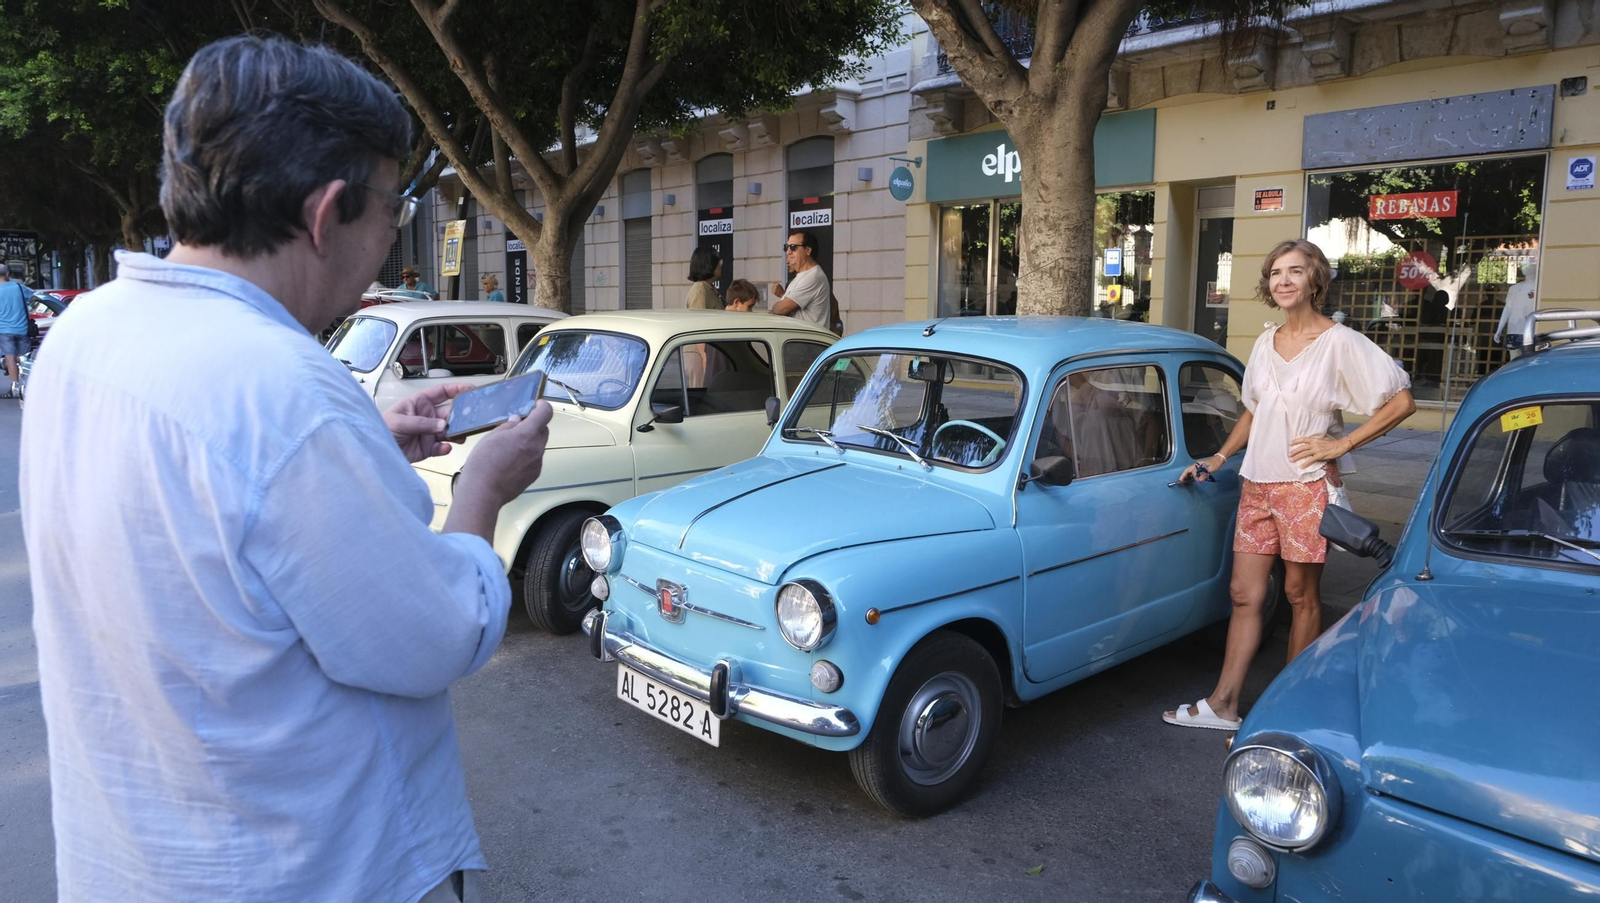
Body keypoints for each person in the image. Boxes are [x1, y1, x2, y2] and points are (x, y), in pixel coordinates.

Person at [19, 36, 553, 903]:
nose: (389, 235)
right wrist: (486, 485)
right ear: (325, 211)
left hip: (142, 859)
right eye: (391, 207)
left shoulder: (87, 331)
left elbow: (208, 514)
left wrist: (363, 443)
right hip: (310, 868)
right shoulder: (287, 395)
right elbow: (435, 636)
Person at [1163, 239, 1415, 732]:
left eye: (1295, 271)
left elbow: (1400, 401)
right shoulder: (1264, 342)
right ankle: (1225, 704)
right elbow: (1255, 410)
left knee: (1300, 595)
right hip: (1257, 484)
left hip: (1305, 485)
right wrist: (1218, 456)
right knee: (1243, 593)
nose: (1283, 280)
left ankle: (1290, 710)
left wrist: (1342, 446)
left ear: (1315, 280)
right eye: (1276, 272)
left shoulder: (1339, 342)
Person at [769, 230, 830, 330]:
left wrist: (776, 307)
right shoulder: (801, 277)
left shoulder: (813, 277)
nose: (788, 252)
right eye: (786, 247)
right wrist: (782, 295)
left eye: (793, 247)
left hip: (807, 342)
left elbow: (780, 309)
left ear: (808, 250)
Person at [1493, 262, 1538, 359]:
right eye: (1523, 264)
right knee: (1513, 361)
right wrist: (1499, 329)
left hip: (1531, 330)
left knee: (1530, 360)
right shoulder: (1514, 288)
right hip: (1513, 329)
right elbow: (1507, 308)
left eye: (1528, 264)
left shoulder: (1539, 287)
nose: (1524, 266)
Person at [0, 266, 30, 398]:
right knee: (25, 359)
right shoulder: (18, 287)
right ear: (7, 273)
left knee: (10, 358)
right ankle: (28, 386)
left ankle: (15, 387)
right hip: (22, 328)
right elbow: (34, 297)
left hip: (4, 330)